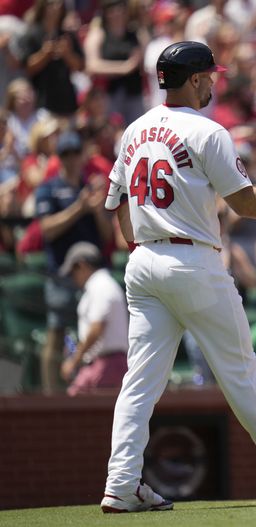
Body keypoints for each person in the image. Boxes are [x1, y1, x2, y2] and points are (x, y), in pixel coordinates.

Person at [100, 41, 256, 513]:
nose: (213, 82)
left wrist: (142, 249)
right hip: (192, 261)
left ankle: (121, 482)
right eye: (209, 75)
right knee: (240, 371)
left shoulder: (132, 130)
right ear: (194, 80)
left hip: (144, 263)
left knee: (140, 384)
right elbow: (245, 201)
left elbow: (115, 205)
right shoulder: (209, 131)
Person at [36, 130, 114, 393]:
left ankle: (89, 389)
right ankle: (52, 395)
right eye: (65, 154)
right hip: (61, 274)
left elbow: (107, 235)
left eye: (74, 153)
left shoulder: (90, 190)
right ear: (60, 158)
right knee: (56, 333)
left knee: (95, 334)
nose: (71, 159)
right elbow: (46, 229)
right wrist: (78, 209)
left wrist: (97, 210)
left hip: (91, 276)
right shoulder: (48, 190)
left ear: (82, 156)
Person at [58, 241, 128, 396]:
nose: (73, 277)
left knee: (75, 407)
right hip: (104, 364)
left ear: (82, 265)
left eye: (73, 271)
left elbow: (97, 328)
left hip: (108, 365)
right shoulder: (101, 285)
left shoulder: (101, 286)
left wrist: (74, 361)